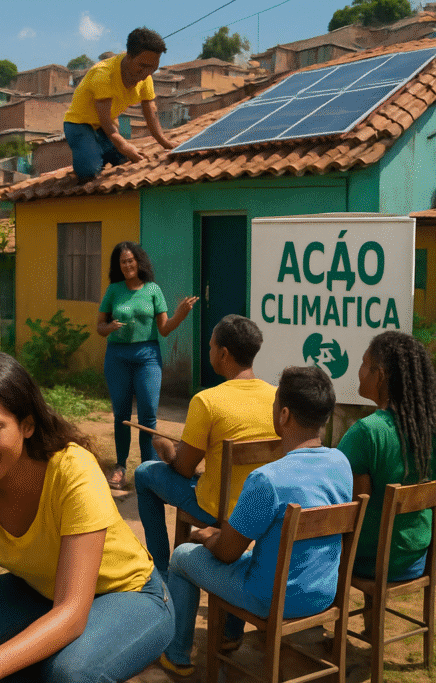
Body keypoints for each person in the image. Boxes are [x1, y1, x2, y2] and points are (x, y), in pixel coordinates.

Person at [0, 352, 174, 683]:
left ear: (26, 425)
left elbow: (71, 613)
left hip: (132, 595)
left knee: (70, 672)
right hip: (43, 594)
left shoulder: (72, 471)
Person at [159, 366, 352, 676]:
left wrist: (205, 536)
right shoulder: (341, 463)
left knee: (182, 557)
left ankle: (178, 654)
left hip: (270, 599)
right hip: (323, 593)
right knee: (252, 555)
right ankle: (230, 636)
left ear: (284, 414)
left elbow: (227, 553)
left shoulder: (267, 479)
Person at [134, 314, 278, 577]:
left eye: (211, 346)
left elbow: (184, 469)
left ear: (223, 354)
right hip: (259, 509)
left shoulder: (207, 400)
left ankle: (160, 571)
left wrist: (167, 451)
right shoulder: (277, 398)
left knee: (144, 473)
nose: (208, 350)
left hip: (217, 510)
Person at [97, 241, 197, 489]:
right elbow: (99, 326)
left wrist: (180, 315)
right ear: (118, 266)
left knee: (148, 414)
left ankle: (148, 469)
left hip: (147, 357)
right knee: (121, 415)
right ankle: (120, 466)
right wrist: (108, 328)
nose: (128, 265)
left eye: (131, 260)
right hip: (117, 357)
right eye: (123, 262)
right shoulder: (113, 290)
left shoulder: (153, 289)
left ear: (139, 262)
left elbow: (164, 329)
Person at [339, 330, 436, 582]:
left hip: (368, 561)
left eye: (363, 364)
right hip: (417, 556)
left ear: (380, 375)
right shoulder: (429, 429)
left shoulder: (366, 433)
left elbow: (348, 510)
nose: (359, 371)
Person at [64, 27, 175, 182]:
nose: (146, 73)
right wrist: (123, 145)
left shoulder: (146, 78)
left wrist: (164, 141)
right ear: (128, 56)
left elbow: (150, 110)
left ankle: (98, 150)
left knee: (126, 160)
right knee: (90, 171)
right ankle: (90, 155)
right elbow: (105, 121)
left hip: (105, 129)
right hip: (79, 125)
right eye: (142, 66)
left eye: (152, 68)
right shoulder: (103, 74)